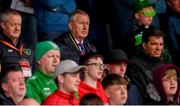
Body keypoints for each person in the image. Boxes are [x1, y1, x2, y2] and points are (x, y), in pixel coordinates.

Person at [126, 27, 167, 104]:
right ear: (144, 45)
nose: (158, 48)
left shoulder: (164, 65)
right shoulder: (134, 64)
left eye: (161, 44)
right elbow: (144, 93)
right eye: (154, 44)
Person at [0, 9, 34, 77]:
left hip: (26, 86)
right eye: (13, 25)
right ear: (3, 25)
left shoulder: (28, 48)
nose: (17, 28)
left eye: (19, 25)